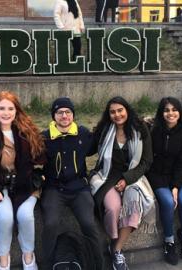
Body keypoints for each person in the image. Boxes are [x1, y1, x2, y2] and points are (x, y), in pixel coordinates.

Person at [0, 91, 45, 270]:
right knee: (4, 216)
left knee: (25, 216)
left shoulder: (27, 131)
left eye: (10, 108)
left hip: (26, 184)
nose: (6, 113)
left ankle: (28, 257)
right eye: (2, 108)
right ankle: (3, 260)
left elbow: (41, 160)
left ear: (16, 111)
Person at [90, 96, 154, 270]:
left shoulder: (141, 129)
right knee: (113, 208)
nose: (117, 115)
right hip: (107, 176)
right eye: (112, 112)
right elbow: (89, 149)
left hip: (133, 177)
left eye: (120, 110)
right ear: (108, 114)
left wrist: (127, 179)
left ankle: (117, 249)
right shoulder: (105, 129)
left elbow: (146, 162)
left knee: (133, 205)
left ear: (127, 110)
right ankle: (113, 239)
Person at [41, 97, 104, 269]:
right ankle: (47, 265)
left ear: (73, 115)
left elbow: (100, 143)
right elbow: (34, 160)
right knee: (51, 224)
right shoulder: (44, 138)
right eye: (59, 112)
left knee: (89, 224)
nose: (64, 116)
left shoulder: (83, 134)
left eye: (68, 112)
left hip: (79, 189)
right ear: (54, 116)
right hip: (54, 189)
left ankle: (98, 265)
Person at [147, 97, 182, 265]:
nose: (171, 113)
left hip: (178, 177)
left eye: (174, 110)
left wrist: (176, 186)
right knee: (167, 203)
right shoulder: (153, 130)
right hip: (157, 176)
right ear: (161, 113)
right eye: (166, 110)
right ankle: (169, 242)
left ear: (180, 112)